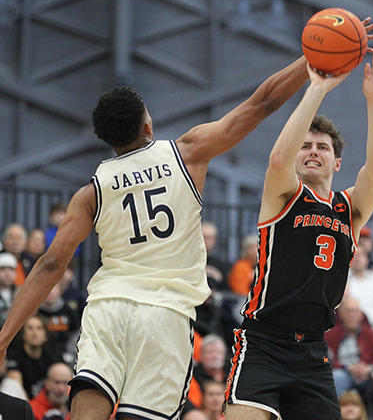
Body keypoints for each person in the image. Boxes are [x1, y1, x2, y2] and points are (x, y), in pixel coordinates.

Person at [0, 46, 318, 418]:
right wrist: (312, 62)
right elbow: (261, 103)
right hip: (166, 313)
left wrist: (4, 337)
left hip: (109, 306)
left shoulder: (91, 192)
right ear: (148, 127)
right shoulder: (186, 153)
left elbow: (51, 264)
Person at [224, 39, 373, 420]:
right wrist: (317, 87)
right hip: (264, 339)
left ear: (337, 162)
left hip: (313, 349)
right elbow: (280, 156)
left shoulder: (349, 209)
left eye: (323, 147)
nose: (313, 151)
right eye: (307, 146)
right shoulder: (283, 193)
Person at [325, 297, 373, 399]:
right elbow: (326, 359)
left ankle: (372, 414)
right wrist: (347, 368)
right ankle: (338, 412)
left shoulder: (369, 333)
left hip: (365, 371)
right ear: (341, 314)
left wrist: (369, 368)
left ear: (361, 315)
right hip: (342, 371)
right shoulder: (331, 334)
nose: (352, 315)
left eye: (355, 311)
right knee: (337, 377)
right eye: (348, 311)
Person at [5, 316, 62, 399]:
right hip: (23, 403)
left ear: (46, 336)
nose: (35, 333)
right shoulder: (14, 356)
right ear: (23, 334)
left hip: (46, 403)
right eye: (30, 328)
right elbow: (15, 387)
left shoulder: (52, 357)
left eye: (39, 328)